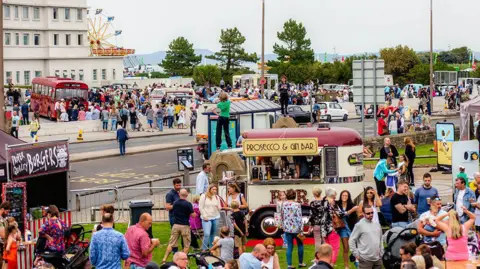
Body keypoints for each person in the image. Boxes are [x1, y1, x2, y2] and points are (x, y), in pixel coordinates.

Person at [162, 189, 194, 263]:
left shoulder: (175, 203)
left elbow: (170, 208)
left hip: (176, 225)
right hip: (185, 226)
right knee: (186, 244)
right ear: (186, 195)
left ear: (179, 194)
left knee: (171, 243)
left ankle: (164, 259)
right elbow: (193, 215)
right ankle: (183, 260)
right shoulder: (188, 204)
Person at [349, 204, 384, 269]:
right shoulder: (359, 225)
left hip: (378, 259)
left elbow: (380, 238)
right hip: (365, 259)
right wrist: (356, 254)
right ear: (363, 213)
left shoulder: (377, 224)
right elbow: (351, 240)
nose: (371, 215)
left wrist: (381, 252)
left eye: (372, 212)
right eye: (368, 213)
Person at [281, 189, 306, 269]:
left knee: (289, 246)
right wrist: (301, 228)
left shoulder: (283, 204)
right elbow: (299, 217)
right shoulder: (297, 205)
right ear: (294, 196)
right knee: (300, 245)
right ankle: (301, 262)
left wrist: (283, 226)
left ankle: (289, 265)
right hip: (296, 229)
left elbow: (282, 216)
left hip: (287, 228)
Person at [336, 190, 358, 268]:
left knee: (354, 246)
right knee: (346, 247)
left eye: (346, 195)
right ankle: (346, 266)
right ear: (340, 196)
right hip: (342, 228)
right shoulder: (337, 204)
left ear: (348, 197)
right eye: (343, 195)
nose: (344, 197)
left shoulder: (351, 205)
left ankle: (356, 261)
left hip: (351, 227)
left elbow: (355, 217)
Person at [199, 184, 221, 250]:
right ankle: (204, 249)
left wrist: (218, 207)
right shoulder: (204, 196)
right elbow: (201, 207)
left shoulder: (217, 197)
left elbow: (220, 207)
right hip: (206, 218)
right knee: (207, 234)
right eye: (213, 189)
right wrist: (204, 216)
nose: (215, 191)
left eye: (216, 189)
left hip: (216, 216)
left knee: (213, 234)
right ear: (209, 189)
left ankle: (212, 249)